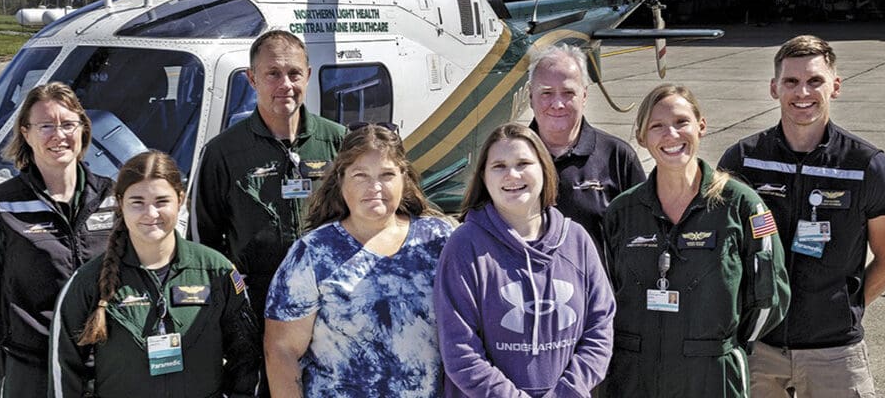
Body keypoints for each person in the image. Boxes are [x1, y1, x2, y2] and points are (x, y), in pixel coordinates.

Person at [718, 35, 885, 397]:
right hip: (758, 346)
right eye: (791, 81)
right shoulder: (743, 160)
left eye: (815, 80)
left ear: (835, 86)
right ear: (774, 88)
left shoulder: (867, 165)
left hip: (834, 352)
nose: (802, 92)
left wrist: (845, 308)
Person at [601, 84, 790, 397]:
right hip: (634, 375)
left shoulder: (743, 206)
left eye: (681, 122)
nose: (671, 134)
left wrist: (723, 347)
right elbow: (603, 295)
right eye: (657, 126)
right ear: (642, 137)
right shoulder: (622, 211)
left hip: (712, 375)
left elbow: (770, 296)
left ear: (701, 126)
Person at [190, 29, 344, 394]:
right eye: (273, 73)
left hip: (330, 307)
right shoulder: (223, 153)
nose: (285, 84)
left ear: (308, 75)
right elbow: (202, 244)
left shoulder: (339, 142)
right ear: (252, 79)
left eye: (294, 73)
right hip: (255, 312)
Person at [50, 151, 262, 397]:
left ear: (180, 200)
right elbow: (65, 370)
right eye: (137, 202)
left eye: (161, 201)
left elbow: (246, 357)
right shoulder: (88, 281)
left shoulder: (216, 271)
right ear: (120, 203)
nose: (150, 213)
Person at [264, 124, 452, 397]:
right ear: (341, 180)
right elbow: (282, 350)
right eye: (360, 175)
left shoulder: (440, 239)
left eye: (387, 175)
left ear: (404, 177)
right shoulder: (313, 253)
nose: (374, 187)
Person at [434, 123, 615, 397]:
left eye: (523, 163)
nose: (512, 174)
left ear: (544, 168)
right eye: (499, 166)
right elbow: (461, 352)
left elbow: (600, 329)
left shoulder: (576, 240)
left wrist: (567, 393)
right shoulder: (464, 246)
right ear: (483, 177)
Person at [0, 82, 116, 398]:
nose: (59, 135)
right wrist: (15, 338)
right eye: (46, 126)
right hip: (33, 366)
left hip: (105, 362)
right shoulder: (1, 206)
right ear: (26, 133)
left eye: (68, 124)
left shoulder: (113, 197)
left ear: (83, 129)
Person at [527, 43, 646, 255]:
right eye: (546, 93)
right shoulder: (507, 158)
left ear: (584, 95)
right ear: (530, 96)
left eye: (568, 92)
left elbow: (644, 238)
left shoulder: (617, 157)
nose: (557, 104)